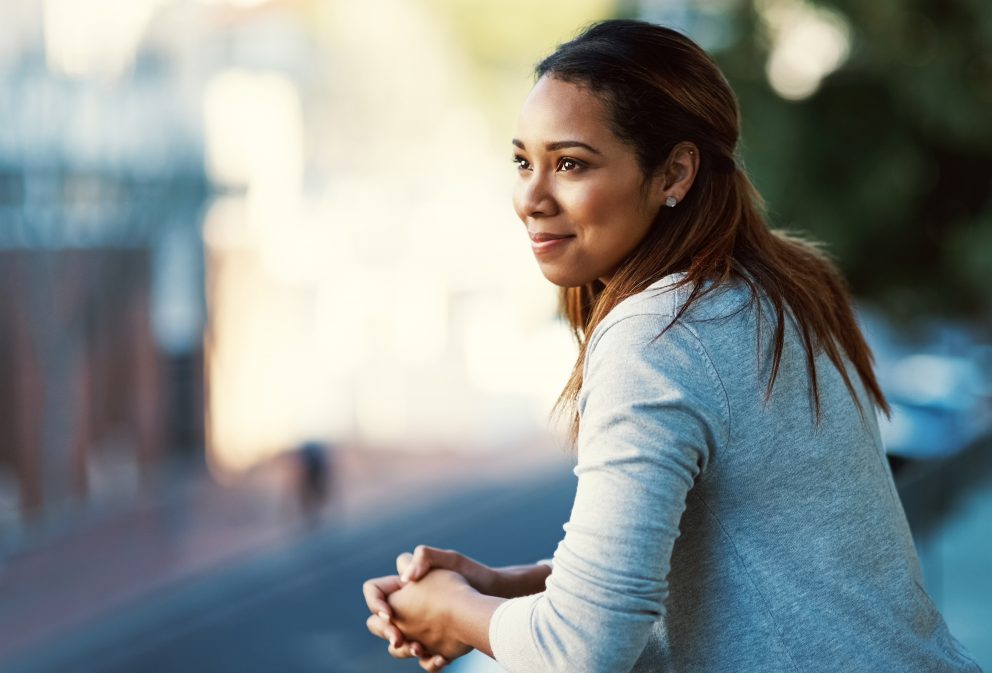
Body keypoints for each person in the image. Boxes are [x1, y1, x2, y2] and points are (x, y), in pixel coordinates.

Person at [361, 19, 983, 673]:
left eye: (570, 163)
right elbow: (740, 567)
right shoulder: (775, 291)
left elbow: (579, 651)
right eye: (524, 161)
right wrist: (509, 586)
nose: (531, 198)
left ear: (674, 172)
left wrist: (452, 609)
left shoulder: (658, 340)